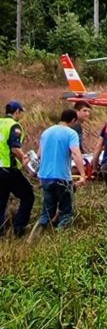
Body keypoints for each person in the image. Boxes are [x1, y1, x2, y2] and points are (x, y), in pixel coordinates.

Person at [31, 108, 87, 237]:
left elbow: (39, 155)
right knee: (66, 212)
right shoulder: (71, 133)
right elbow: (76, 153)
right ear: (73, 120)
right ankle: (60, 240)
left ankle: (32, 239)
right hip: (62, 177)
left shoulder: (46, 132)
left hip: (45, 177)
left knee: (46, 213)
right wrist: (83, 174)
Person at [0, 101, 35, 237]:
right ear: (16, 112)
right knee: (28, 196)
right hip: (9, 169)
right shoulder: (14, 126)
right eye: (20, 112)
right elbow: (15, 148)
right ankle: (19, 230)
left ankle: (1, 235)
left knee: (1, 201)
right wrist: (25, 162)